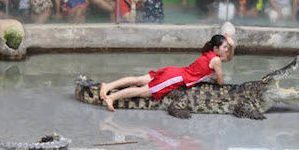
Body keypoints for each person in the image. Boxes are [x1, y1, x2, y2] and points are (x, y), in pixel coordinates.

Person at [99, 34, 235, 111]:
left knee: (139, 79)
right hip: (175, 78)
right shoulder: (216, 60)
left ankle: (108, 86)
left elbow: (228, 58)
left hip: (173, 71)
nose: (227, 50)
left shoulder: (210, 53)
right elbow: (221, 82)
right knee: (143, 91)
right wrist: (215, 77)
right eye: (225, 47)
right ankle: (112, 97)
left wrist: (232, 45)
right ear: (216, 49)